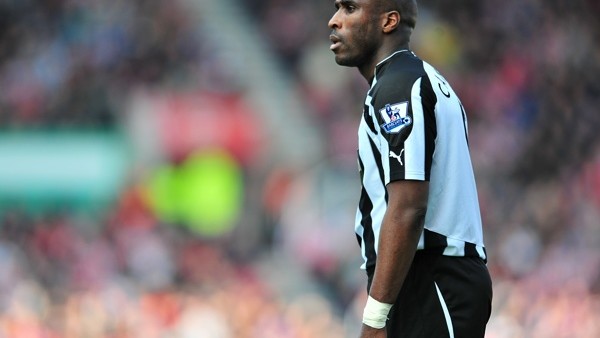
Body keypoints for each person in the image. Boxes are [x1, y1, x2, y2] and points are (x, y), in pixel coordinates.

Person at [327, 0, 492, 337]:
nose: (334, 21)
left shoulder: (399, 87)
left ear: (388, 21)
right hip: (431, 277)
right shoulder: (418, 79)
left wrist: (374, 318)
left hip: (432, 278)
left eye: (349, 8)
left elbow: (409, 207)